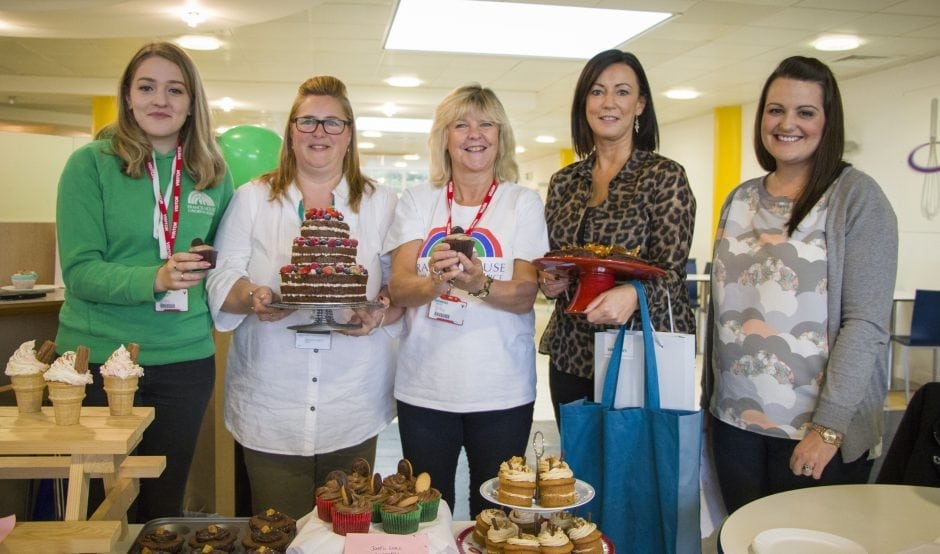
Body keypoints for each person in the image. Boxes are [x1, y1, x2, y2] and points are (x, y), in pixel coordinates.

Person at [704, 56, 899, 513]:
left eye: (805, 112)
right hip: (734, 424)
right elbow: (723, 311)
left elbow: (865, 324)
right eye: (775, 110)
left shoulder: (856, 197)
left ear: (827, 122)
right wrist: (709, 406)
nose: (787, 123)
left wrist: (827, 429)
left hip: (812, 435)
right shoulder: (740, 198)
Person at [205, 75, 402, 519]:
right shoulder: (253, 199)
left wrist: (380, 312)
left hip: (352, 397)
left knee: (344, 526)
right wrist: (254, 296)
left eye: (332, 123)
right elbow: (223, 276)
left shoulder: (382, 202)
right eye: (308, 121)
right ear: (290, 132)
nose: (319, 133)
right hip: (271, 402)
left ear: (349, 134)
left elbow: (398, 284)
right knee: (279, 528)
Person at [55, 41, 233, 521]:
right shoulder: (90, 164)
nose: (161, 100)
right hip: (96, 361)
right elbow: (80, 271)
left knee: (162, 508)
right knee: (96, 512)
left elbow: (223, 262)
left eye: (175, 90)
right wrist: (155, 277)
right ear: (128, 97)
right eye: (147, 87)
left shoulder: (212, 173)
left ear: (192, 102)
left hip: (184, 360)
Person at [385, 84, 548, 517]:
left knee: (495, 513)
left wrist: (477, 283)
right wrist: (437, 283)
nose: (473, 134)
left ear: (501, 135)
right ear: (444, 137)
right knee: (425, 512)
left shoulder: (522, 203)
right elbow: (400, 287)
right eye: (460, 124)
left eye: (485, 123)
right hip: (425, 390)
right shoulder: (419, 201)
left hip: (502, 391)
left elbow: (524, 293)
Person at [538, 50, 696, 424]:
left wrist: (634, 294)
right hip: (571, 353)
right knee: (574, 473)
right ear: (584, 104)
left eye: (622, 92)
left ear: (640, 104)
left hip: (638, 353)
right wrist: (551, 279)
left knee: (630, 471)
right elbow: (558, 258)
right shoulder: (565, 182)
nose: (608, 103)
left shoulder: (664, 177)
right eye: (597, 91)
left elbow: (672, 275)